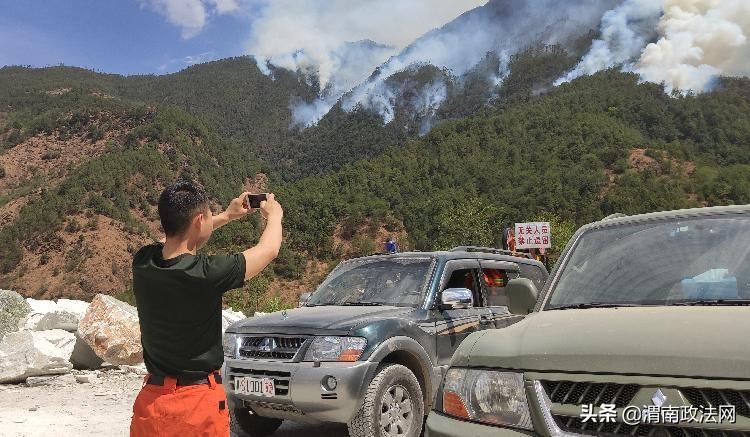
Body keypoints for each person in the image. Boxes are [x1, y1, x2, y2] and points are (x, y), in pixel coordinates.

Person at [129, 180, 283, 437]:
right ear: (200, 220)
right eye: (209, 215)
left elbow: (170, 240)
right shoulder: (206, 274)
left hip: (152, 404)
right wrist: (274, 217)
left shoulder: (143, 262)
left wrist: (226, 216)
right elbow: (269, 250)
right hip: (196, 405)